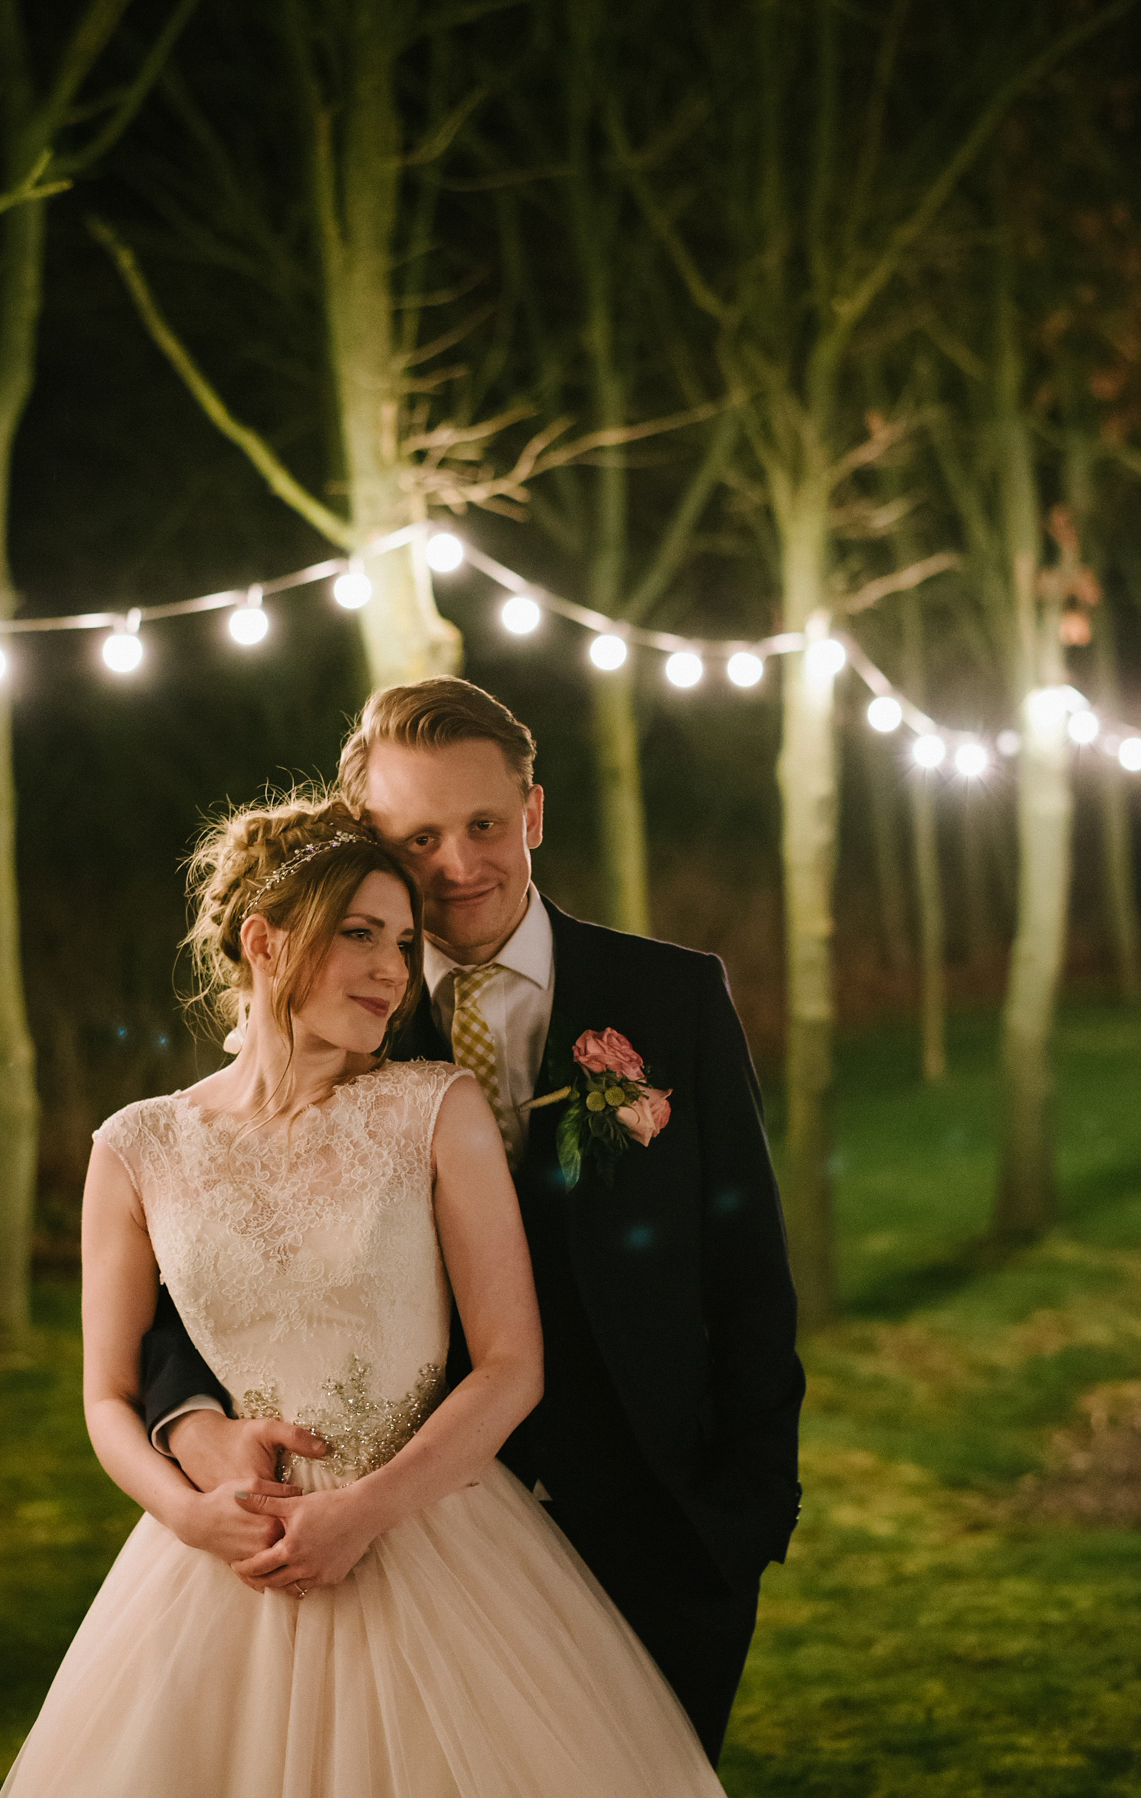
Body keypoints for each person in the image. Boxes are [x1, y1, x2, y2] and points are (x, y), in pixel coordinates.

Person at [1, 802, 726, 1797]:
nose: (393, 969)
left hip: (428, 1532)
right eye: (360, 934)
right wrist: (183, 1511)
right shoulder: (136, 1149)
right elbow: (106, 1395)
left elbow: (513, 1364)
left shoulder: (434, 1107)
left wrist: (364, 1509)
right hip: (226, 1560)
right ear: (266, 942)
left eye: (402, 940)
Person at [152, 678, 805, 1765]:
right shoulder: (346, 1011)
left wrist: (743, 1516)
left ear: (534, 813)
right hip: (422, 1545)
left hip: (660, 1534)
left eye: (485, 824)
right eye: (419, 837)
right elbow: (208, 1244)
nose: (458, 863)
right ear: (373, 841)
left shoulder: (673, 999)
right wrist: (191, 1424)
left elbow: (747, 1268)